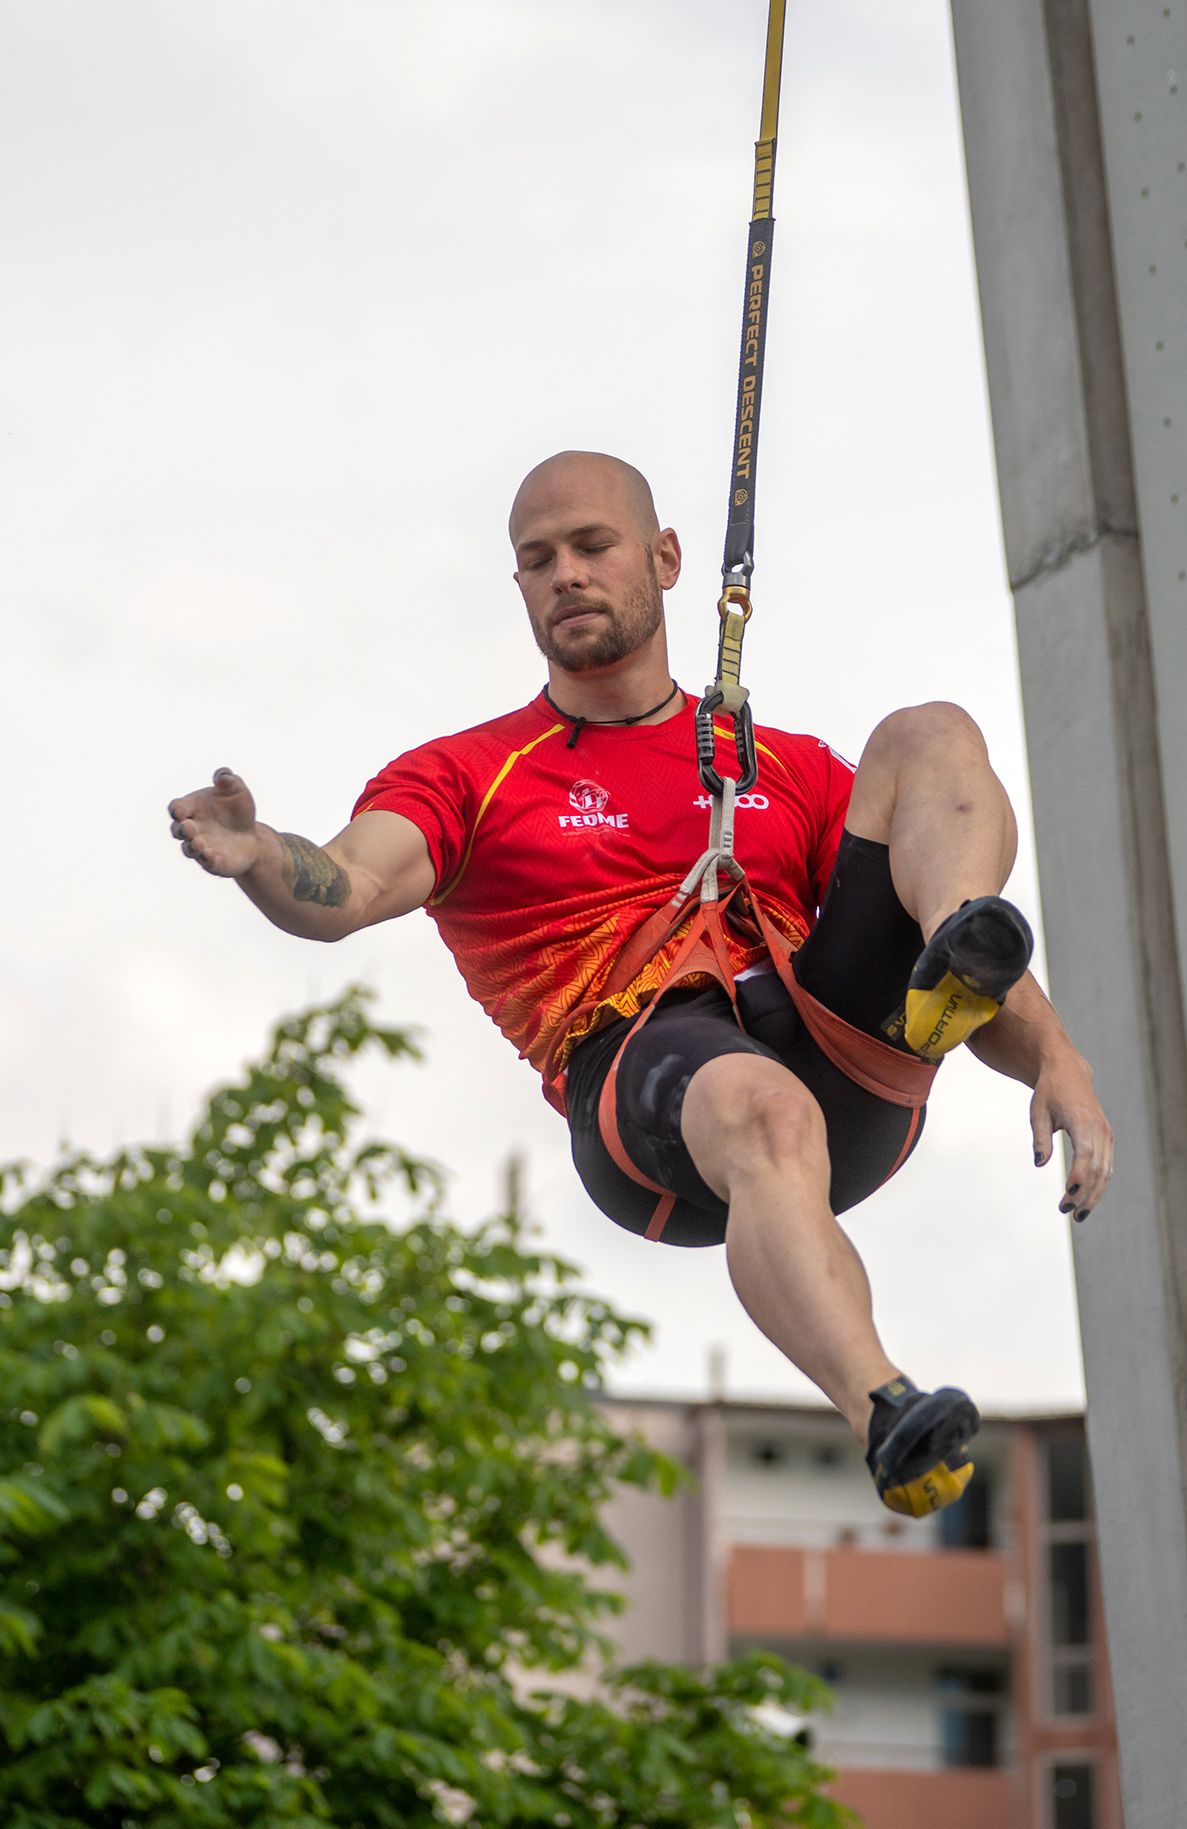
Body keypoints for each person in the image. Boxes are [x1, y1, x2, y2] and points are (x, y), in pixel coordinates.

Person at [167, 451, 1113, 1518]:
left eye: (589, 545)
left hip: (834, 1044)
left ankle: (942, 969)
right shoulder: (471, 774)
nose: (564, 573)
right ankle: (880, 1407)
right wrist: (260, 857)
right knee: (759, 1108)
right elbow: (346, 882)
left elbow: (926, 842)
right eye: (536, 559)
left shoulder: (773, 763)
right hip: (651, 1093)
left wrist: (1060, 1060)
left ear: (664, 559)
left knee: (928, 735)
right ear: (518, 587)